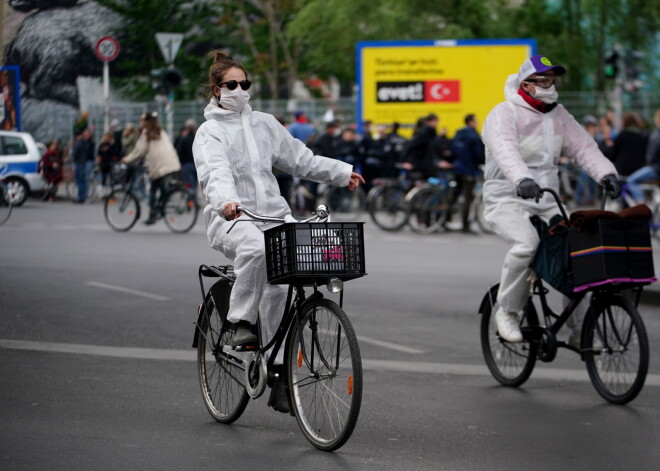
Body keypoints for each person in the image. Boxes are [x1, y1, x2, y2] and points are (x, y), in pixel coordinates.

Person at [192, 51, 364, 413]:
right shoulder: (209, 133)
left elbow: (301, 159)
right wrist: (226, 201)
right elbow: (214, 174)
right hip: (232, 218)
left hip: (274, 215)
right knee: (256, 251)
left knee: (286, 282)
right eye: (231, 84)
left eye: (244, 84)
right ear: (216, 89)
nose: (239, 90)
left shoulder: (265, 124)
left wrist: (341, 172)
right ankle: (239, 322)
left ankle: (279, 368)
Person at [481, 54, 620, 343]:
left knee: (579, 254)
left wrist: (607, 174)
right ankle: (507, 311)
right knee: (526, 245)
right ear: (526, 84)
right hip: (506, 198)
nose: (549, 84)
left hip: (547, 199)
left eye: (552, 79)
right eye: (542, 80)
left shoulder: (558, 115)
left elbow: (583, 147)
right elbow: (506, 150)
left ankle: (580, 328)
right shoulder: (503, 113)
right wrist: (521, 179)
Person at [122, 111, 181, 225]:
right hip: (172, 164)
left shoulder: (146, 133)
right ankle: (161, 207)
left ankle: (153, 214)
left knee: (153, 190)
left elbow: (139, 151)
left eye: (142, 120)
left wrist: (127, 159)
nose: (140, 122)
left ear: (146, 121)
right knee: (163, 188)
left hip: (160, 167)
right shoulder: (160, 130)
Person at [450, 114, 485, 232]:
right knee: (468, 198)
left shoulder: (459, 133)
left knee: (455, 194)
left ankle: (446, 219)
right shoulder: (473, 135)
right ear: (471, 122)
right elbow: (478, 154)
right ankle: (465, 225)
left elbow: (453, 150)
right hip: (469, 170)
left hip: (457, 168)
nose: (477, 123)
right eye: (476, 121)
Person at [625, 109, 660, 203]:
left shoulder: (656, 135)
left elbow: (650, 157)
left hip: (656, 169)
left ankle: (641, 202)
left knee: (631, 180)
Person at [611, 111, 648, 178]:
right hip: (638, 171)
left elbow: (613, 154)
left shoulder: (622, 135)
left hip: (623, 170)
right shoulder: (641, 136)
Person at [402, 113, 439, 179]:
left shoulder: (430, 133)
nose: (437, 123)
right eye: (435, 121)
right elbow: (411, 146)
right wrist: (405, 160)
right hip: (421, 164)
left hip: (425, 164)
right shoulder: (424, 133)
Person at [175, 118, 198, 200]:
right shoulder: (197, 138)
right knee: (194, 183)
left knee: (188, 184)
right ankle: (194, 200)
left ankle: (190, 201)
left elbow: (178, 152)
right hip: (196, 165)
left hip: (186, 165)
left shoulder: (183, 139)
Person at [71, 129, 94, 203]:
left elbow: (75, 153)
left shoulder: (79, 142)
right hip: (84, 162)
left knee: (80, 181)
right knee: (83, 181)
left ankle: (81, 197)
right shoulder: (85, 142)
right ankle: (83, 196)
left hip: (79, 162)